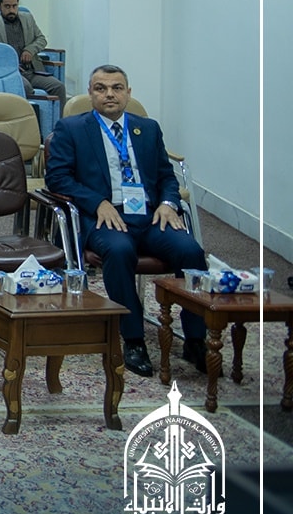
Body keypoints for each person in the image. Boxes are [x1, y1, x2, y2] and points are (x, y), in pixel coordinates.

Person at [45, 65, 208, 378]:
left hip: (150, 216)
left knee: (191, 251)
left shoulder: (148, 129)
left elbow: (166, 176)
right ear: (90, 93)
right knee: (119, 251)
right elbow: (58, 178)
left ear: (128, 93)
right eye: (101, 88)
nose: (109, 94)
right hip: (105, 217)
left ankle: (196, 339)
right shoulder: (71, 128)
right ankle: (133, 339)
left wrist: (168, 203)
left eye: (117, 88)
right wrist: (98, 202)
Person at [0, 0, 66, 97]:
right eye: (7, 6)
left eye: (14, 6)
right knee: (26, 87)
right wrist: (9, 64)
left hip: (32, 71)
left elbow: (41, 39)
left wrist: (30, 50)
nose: (11, 10)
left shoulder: (27, 18)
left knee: (58, 86)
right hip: (9, 73)